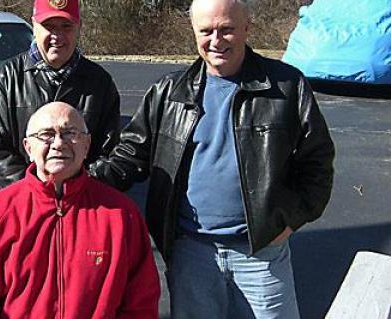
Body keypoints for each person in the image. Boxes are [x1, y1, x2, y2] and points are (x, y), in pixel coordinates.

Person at [89, 0, 335, 318]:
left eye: (227, 29)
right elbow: (131, 155)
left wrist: (291, 220)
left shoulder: (286, 87)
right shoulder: (169, 92)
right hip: (191, 253)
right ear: (194, 32)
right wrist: (81, 181)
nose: (216, 40)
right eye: (206, 31)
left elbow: (318, 161)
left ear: (247, 28)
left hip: (261, 253)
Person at [0, 102, 160, 319]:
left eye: (70, 133)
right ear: (28, 147)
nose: (59, 143)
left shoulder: (120, 214)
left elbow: (140, 303)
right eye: (46, 135)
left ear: (86, 146)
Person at [0, 0, 120, 190]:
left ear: (79, 27)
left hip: (82, 202)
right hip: (23, 202)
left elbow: (108, 149)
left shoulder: (100, 82)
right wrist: (36, 191)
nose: (57, 36)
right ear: (34, 26)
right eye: (49, 26)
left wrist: (77, 189)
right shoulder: (5, 79)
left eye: (66, 26)